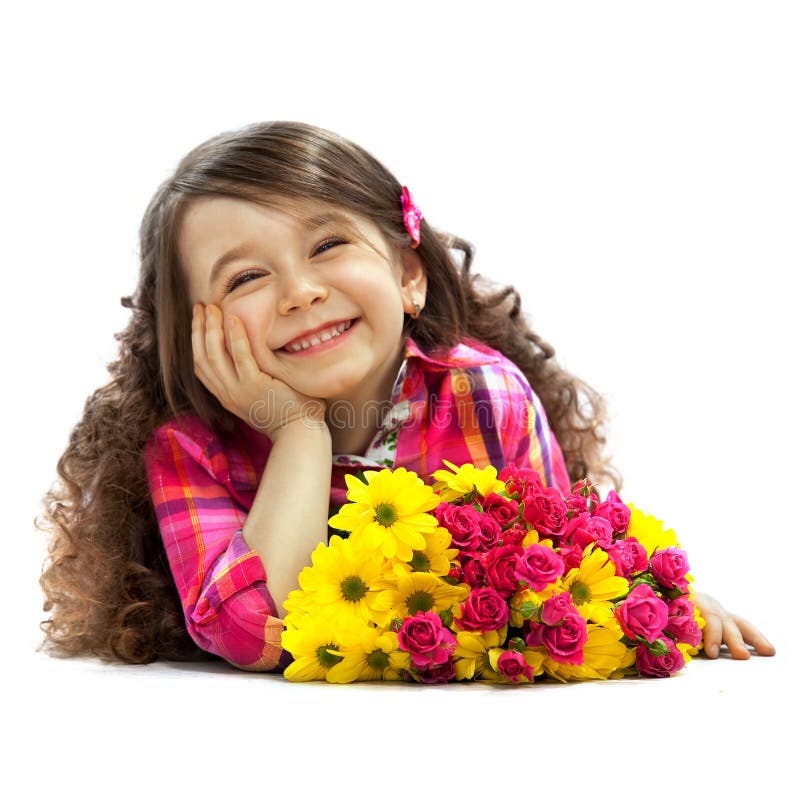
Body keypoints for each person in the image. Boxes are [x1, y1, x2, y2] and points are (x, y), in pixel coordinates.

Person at [36, 120, 775, 672]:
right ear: (193, 334)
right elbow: (259, 636)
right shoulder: (189, 451)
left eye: (328, 246)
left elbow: (565, 573)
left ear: (409, 275)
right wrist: (297, 433)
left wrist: (654, 601)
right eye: (245, 279)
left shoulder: (485, 398)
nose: (302, 291)